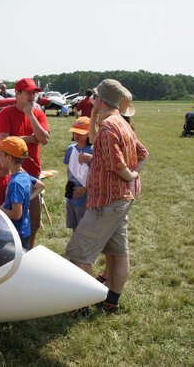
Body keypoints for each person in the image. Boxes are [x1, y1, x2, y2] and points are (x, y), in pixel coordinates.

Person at [66, 79, 148, 316]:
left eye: (95, 97)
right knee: (118, 253)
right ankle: (111, 303)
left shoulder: (109, 127)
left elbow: (118, 165)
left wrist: (130, 174)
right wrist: (131, 176)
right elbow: (144, 154)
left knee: (78, 252)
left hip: (105, 202)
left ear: (101, 100)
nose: (92, 100)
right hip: (120, 200)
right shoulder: (120, 123)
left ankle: (81, 305)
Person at [0, 78, 50, 249]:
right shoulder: (6, 113)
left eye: (34, 92)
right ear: (17, 94)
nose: (32, 96)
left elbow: (44, 139)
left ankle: (29, 252)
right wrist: (30, 139)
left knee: (32, 219)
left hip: (32, 174)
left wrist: (31, 116)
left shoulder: (38, 114)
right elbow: (5, 141)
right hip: (9, 173)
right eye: (28, 92)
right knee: (8, 218)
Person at [0, 136, 45, 250]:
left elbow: (16, 214)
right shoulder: (23, 174)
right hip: (25, 230)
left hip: (16, 233)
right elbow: (41, 186)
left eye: (0, 154)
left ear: (9, 158)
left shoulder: (15, 183)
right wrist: (27, 199)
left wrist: (0, 210)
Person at [63, 116, 93, 232]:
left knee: (84, 226)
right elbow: (68, 169)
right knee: (74, 225)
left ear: (89, 134)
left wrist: (85, 187)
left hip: (85, 194)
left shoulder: (92, 150)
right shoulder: (70, 149)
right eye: (75, 132)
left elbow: (95, 172)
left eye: (81, 133)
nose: (77, 135)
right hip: (72, 191)